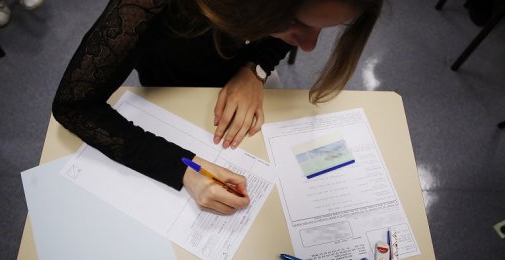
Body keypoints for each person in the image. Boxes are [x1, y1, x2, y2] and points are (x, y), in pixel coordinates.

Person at [52, 0, 382, 214]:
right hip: (170, 89)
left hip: (246, 80)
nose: (310, 47)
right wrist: (183, 168)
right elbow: (73, 105)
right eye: (296, 22)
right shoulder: (146, 7)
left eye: (324, 27)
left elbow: (277, 39)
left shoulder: (274, 19)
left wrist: (255, 69)